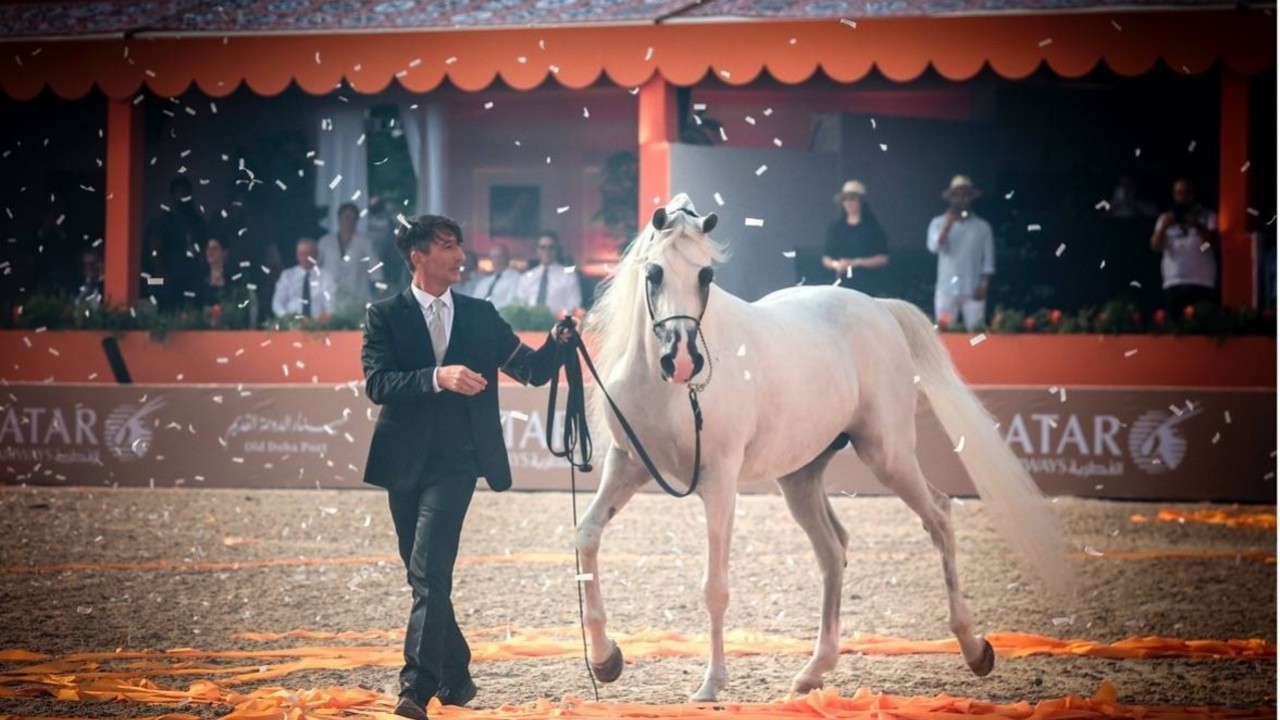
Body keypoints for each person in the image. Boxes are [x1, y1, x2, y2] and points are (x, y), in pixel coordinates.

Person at [360, 215, 570, 720]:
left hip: (458, 465)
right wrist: (439, 376)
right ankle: (458, 675)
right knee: (421, 577)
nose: (460, 255)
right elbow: (378, 385)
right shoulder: (384, 314)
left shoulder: (481, 314)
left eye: (460, 245)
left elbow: (532, 371)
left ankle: (416, 688)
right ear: (419, 257)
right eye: (449, 246)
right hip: (402, 462)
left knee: (431, 571)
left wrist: (559, 344)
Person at [927, 175, 995, 330]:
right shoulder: (938, 223)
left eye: (965, 194)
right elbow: (933, 248)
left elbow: (988, 260)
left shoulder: (982, 227)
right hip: (946, 288)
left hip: (973, 288)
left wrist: (984, 284)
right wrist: (947, 226)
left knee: (977, 334)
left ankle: (978, 356)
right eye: (957, 194)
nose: (961, 199)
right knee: (944, 334)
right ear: (951, 198)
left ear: (971, 198)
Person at [1150, 178, 1219, 315]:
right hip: (1173, 281)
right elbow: (1155, 246)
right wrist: (1163, 227)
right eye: (1178, 193)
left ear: (1193, 194)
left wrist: (1198, 226)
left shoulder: (1208, 216)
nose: (1183, 197)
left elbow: (1214, 244)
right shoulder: (1165, 218)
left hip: (1201, 281)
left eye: (1186, 193)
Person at [145, 176, 208, 309]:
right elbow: (154, 248)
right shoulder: (163, 221)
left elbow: (206, 249)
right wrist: (162, 273)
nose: (183, 197)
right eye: (179, 193)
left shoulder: (198, 222)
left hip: (193, 277)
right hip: (169, 278)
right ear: (172, 196)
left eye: (186, 193)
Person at [822, 180, 890, 296]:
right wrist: (837, 265)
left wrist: (856, 262)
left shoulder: (873, 228)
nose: (848, 203)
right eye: (845, 199)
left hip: (868, 287)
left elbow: (883, 259)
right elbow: (826, 258)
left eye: (852, 199)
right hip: (842, 287)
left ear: (861, 201)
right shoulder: (835, 228)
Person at [319, 202, 383, 317]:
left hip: (357, 296)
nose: (349, 221)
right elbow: (317, 270)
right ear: (339, 218)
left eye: (353, 218)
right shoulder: (325, 242)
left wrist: (379, 292)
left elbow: (375, 270)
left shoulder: (365, 242)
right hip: (330, 298)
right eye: (346, 217)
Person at [515, 231, 581, 316]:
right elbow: (519, 304)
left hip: (557, 323)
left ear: (557, 250)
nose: (547, 251)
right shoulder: (526, 277)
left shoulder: (568, 276)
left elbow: (574, 304)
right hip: (529, 324)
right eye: (543, 248)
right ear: (537, 250)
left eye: (551, 247)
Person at [272, 237, 334, 320]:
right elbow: (277, 303)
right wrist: (285, 316)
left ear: (316, 255)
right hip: (291, 324)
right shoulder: (287, 275)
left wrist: (326, 314)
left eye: (309, 253)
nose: (305, 257)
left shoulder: (326, 276)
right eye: (302, 254)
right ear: (297, 256)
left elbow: (331, 301)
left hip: (317, 324)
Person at [469, 244, 522, 309]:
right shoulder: (485, 281)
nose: (497, 260)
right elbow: (474, 300)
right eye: (493, 257)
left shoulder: (516, 279)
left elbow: (511, 303)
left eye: (500, 257)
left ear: (507, 257)